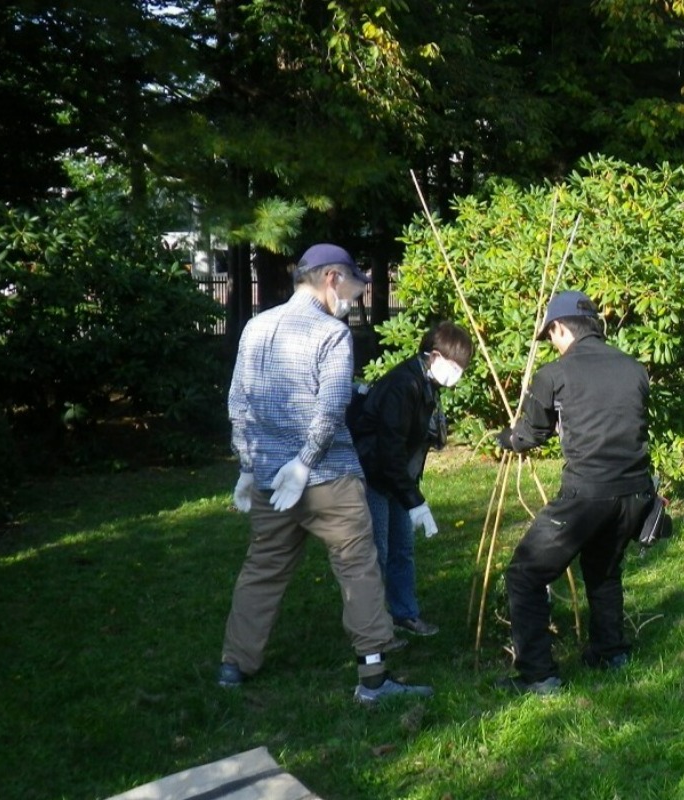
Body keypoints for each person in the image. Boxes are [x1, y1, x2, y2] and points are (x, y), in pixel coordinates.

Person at [219, 243, 432, 706]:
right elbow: (332, 406)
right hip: (328, 478)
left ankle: (234, 665)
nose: (354, 300)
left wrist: (247, 466)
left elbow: (238, 403)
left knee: (263, 568)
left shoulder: (256, 327)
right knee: (358, 567)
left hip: (270, 481)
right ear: (331, 278)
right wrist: (306, 461)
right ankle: (373, 679)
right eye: (354, 290)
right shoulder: (331, 334)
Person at [493, 290, 655, 695]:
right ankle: (609, 653)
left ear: (560, 327)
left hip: (588, 494)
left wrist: (508, 439)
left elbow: (531, 435)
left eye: (550, 335)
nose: (551, 343)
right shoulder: (634, 368)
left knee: (525, 575)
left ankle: (539, 676)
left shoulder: (555, 374)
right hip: (635, 492)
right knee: (604, 571)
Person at [347, 321, 473, 639]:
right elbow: (389, 450)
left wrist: (410, 492)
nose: (457, 373)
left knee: (402, 549)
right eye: (454, 365)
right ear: (433, 356)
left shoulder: (427, 384)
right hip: (374, 476)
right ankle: (372, 628)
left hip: (399, 479)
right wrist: (414, 500)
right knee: (377, 553)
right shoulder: (404, 385)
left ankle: (405, 614)